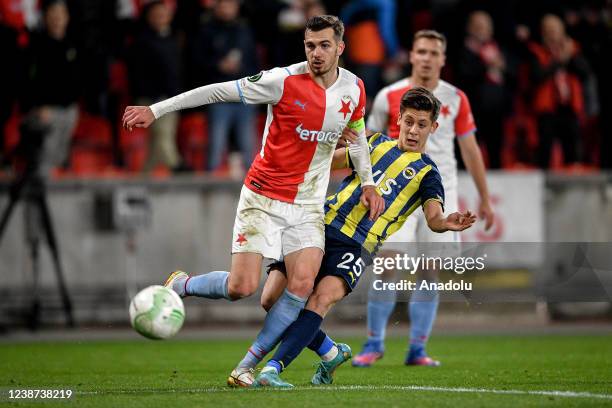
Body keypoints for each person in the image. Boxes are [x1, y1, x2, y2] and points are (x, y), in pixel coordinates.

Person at [124, 13, 382, 378]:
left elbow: (357, 139)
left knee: (302, 284)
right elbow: (216, 90)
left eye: (325, 45)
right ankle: (182, 284)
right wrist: (157, 109)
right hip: (263, 197)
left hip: (307, 204)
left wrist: (368, 183)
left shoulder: (354, 88)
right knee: (241, 287)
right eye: (310, 45)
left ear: (340, 47)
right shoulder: (282, 81)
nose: (317, 53)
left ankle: (248, 368)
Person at [246, 87, 476, 388]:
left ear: (433, 127)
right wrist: (319, 141)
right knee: (271, 299)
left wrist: (447, 222)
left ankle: (273, 369)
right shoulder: (372, 143)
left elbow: (433, 218)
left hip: (358, 245)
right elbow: (325, 163)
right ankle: (330, 352)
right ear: (399, 119)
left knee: (321, 298)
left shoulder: (428, 173)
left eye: (422, 124)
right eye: (409, 122)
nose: (413, 130)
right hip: (320, 226)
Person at [353, 29, 494, 368]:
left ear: (443, 59)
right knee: (388, 264)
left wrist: (484, 198)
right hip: (396, 192)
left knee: (430, 271)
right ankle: (374, 343)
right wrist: (366, 185)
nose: (427, 58)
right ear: (412, 55)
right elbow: (367, 142)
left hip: (438, 192)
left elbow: (470, 148)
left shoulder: (456, 98)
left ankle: (417, 349)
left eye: (434, 52)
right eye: (421, 51)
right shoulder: (389, 95)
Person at [128, 0, 183, 172]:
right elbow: (136, 75)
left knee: (156, 142)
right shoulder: (140, 42)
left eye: (163, 14)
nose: (160, 17)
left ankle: (144, 178)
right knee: (162, 137)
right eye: (156, 14)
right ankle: (179, 168)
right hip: (150, 100)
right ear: (149, 17)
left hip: (171, 99)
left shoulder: (174, 39)